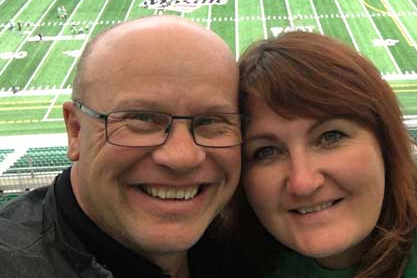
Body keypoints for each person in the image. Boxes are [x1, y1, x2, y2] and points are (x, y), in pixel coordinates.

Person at [234, 31, 417, 278]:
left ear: (386, 142)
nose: (303, 182)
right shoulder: (232, 254)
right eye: (266, 151)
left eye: (331, 136)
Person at [0, 16, 245, 277]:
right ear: (76, 131)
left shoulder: (254, 247)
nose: (182, 157)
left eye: (210, 121)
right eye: (142, 119)